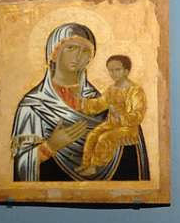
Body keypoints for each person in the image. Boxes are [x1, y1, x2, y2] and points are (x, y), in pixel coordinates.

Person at [11, 24, 146, 182]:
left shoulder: (101, 100)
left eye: (85, 51)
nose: (78, 56)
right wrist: (50, 147)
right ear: (54, 52)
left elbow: (131, 156)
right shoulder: (33, 106)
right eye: (71, 48)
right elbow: (21, 165)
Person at [76, 54, 146, 175]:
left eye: (117, 70)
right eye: (110, 70)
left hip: (128, 128)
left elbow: (138, 115)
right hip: (111, 124)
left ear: (126, 71)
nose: (113, 73)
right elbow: (99, 104)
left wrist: (119, 115)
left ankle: (95, 166)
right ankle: (86, 163)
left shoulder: (135, 90)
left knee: (104, 138)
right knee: (92, 135)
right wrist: (82, 102)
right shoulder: (111, 89)